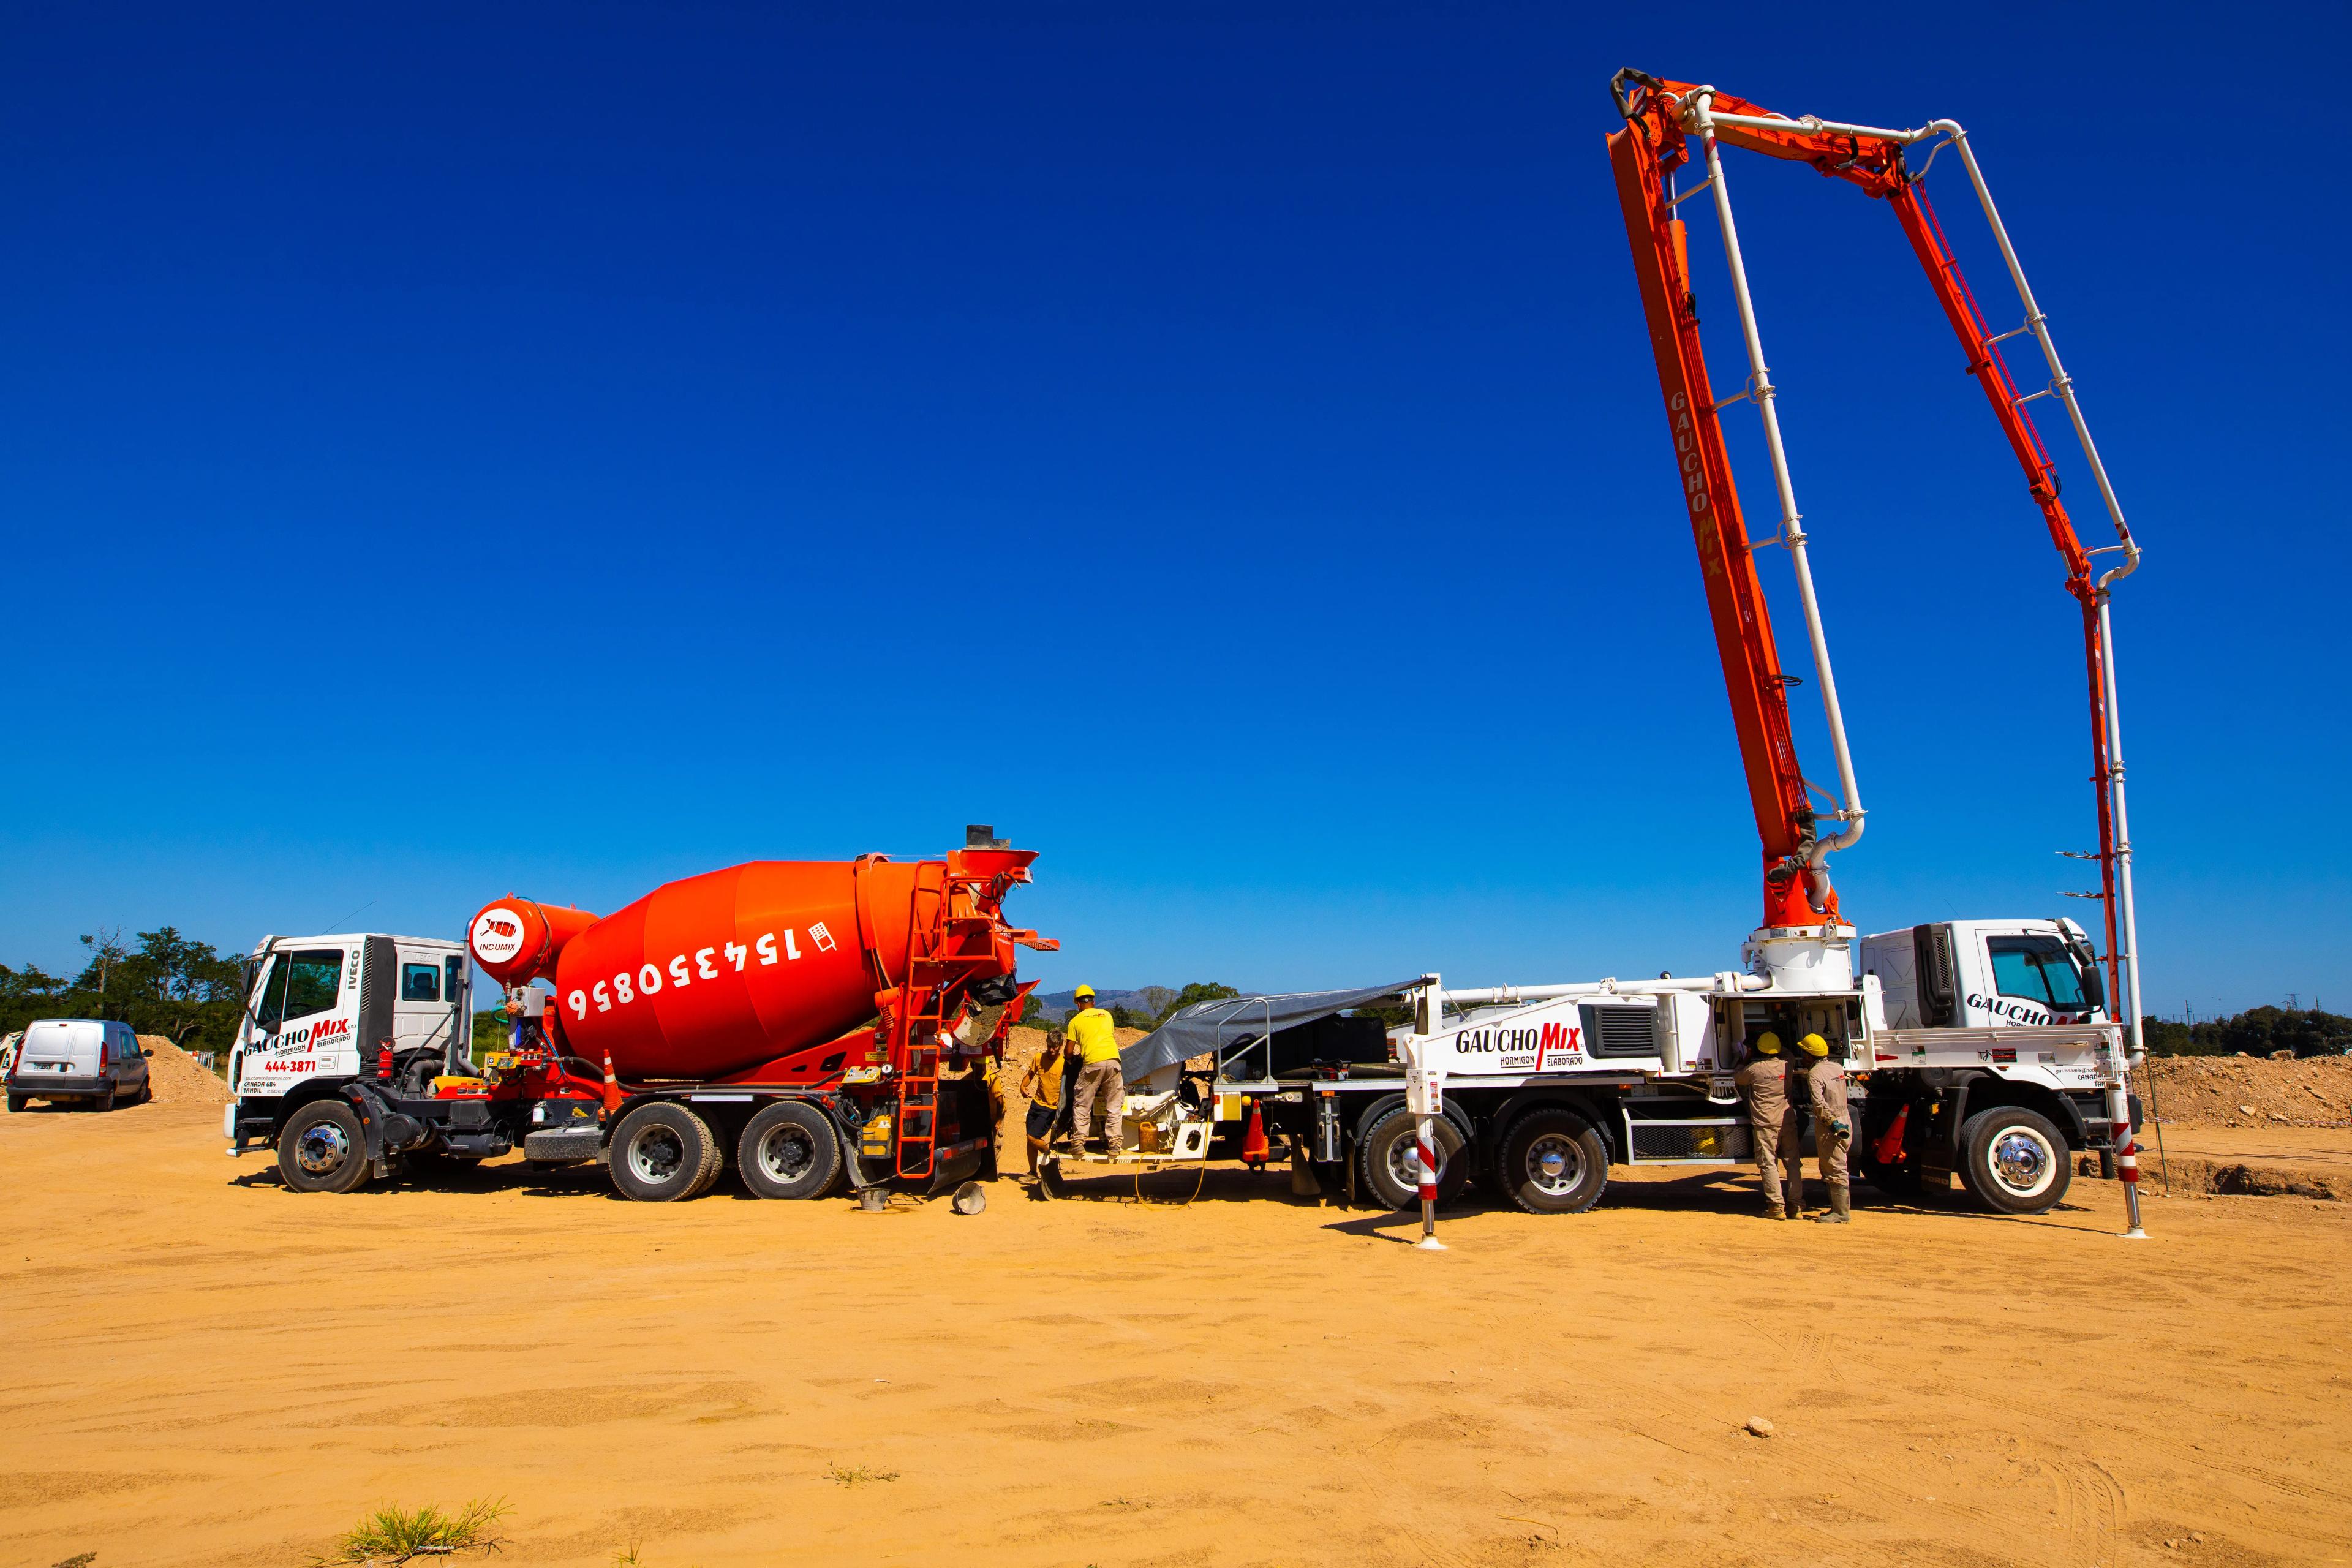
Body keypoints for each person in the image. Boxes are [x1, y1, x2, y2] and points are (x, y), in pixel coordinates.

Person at [1735, 1030, 1803, 1219]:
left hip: (1765, 1123)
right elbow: (1788, 1053)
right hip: (1788, 1121)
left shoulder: (1755, 1069)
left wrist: (1745, 1056)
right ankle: (1796, 1207)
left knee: (1768, 1163)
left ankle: (1776, 1207)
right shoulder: (1787, 1065)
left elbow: (1738, 1077)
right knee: (1793, 1164)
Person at [1065, 984, 1125, 1155]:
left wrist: (1070, 1058)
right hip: (1114, 1061)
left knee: (1082, 1104)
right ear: (1093, 1001)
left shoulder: (1075, 1021)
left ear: (1078, 1004)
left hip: (1092, 1063)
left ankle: (1078, 1143)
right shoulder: (1107, 1015)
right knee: (1114, 1105)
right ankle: (1115, 1145)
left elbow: (1069, 1051)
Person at [1800, 1031, 1852, 1224]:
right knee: (1837, 1166)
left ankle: (1841, 1213)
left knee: (1835, 1168)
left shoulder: (1815, 1074)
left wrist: (1831, 1123)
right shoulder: (1837, 1067)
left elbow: (1820, 1104)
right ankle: (1838, 1209)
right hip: (1845, 1118)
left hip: (1831, 1125)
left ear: (1808, 1055)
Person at [1019, 1027, 1069, 1167]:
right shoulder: (1039, 1058)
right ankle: (1032, 1172)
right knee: (1030, 1140)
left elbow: (1069, 1086)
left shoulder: (1064, 1063)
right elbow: (1030, 1074)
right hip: (1035, 1104)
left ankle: (1049, 1154)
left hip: (1050, 1108)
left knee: (1033, 1137)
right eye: (1049, 1046)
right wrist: (1023, 1087)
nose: (1051, 1050)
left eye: (1054, 1047)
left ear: (1060, 1046)